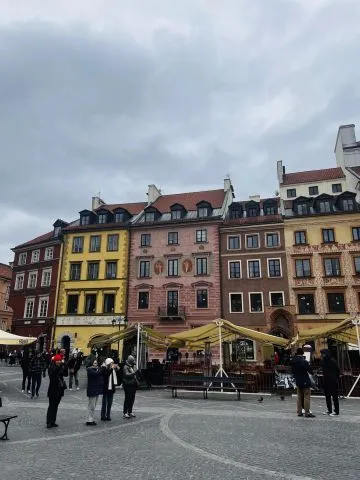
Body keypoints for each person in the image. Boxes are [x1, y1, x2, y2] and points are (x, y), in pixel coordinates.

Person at [291, 347, 315, 418]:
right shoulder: (304, 361)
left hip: (298, 380)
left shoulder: (293, 361)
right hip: (305, 380)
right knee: (306, 397)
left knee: (299, 397)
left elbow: (293, 371)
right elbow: (310, 370)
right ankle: (307, 413)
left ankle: (299, 412)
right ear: (302, 353)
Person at [46, 354, 68, 428]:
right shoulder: (51, 367)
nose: (58, 361)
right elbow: (53, 374)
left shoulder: (60, 366)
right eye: (57, 360)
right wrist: (60, 366)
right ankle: (48, 422)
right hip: (53, 389)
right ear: (54, 361)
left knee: (56, 406)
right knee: (51, 405)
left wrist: (65, 365)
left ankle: (53, 421)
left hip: (59, 389)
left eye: (59, 360)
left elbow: (66, 374)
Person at [320, 349, 340, 416]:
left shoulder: (332, 361)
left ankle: (336, 411)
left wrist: (335, 378)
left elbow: (338, 371)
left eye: (323, 353)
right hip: (326, 381)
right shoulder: (323, 361)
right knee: (327, 396)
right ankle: (329, 410)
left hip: (332, 381)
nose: (322, 355)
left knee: (334, 397)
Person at [86, 359, 104, 426]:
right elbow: (97, 374)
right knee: (91, 406)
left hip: (96, 390)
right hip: (92, 390)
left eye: (96, 363)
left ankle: (91, 419)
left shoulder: (97, 369)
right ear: (92, 364)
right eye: (94, 363)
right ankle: (89, 420)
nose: (96, 364)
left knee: (93, 406)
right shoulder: (90, 369)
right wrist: (102, 368)